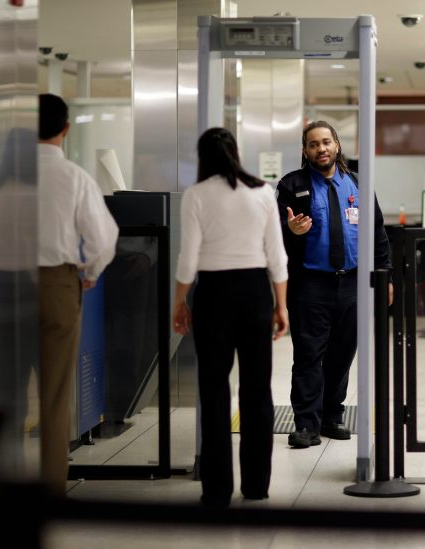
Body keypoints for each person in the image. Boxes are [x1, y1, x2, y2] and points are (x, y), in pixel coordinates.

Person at [172, 127, 288, 507]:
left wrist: (180, 301)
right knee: (257, 390)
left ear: (202, 156)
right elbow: (277, 257)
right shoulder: (263, 191)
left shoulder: (195, 195)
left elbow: (188, 258)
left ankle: (217, 489)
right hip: (255, 292)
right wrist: (281, 305)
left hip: (213, 295)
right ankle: (256, 486)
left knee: (214, 388)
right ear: (236, 153)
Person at [276, 120, 392, 449]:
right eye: (313, 144)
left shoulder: (357, 184)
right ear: (305, 150)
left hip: (352, 284)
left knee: (342, 354)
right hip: (310, 285)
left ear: (337, 145)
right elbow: (273, 236)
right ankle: (306, 424)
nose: (321, 149)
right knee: (309, 355)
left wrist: (385, 273)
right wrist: (291, 232)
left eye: (326, 142)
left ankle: (331, 415)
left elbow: (377, 231)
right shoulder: (292, 185)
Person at [38, 93, 119, 494]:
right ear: (65, 129)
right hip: (55, 285)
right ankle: (49, 491)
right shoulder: (72, 177)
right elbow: (104, 237)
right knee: (54, 395)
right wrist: (90, 272)